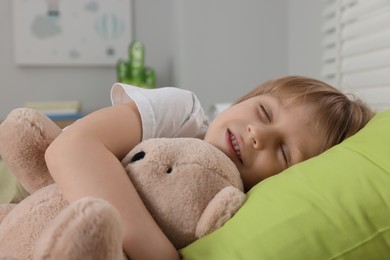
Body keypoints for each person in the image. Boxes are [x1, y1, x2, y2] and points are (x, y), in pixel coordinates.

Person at [44, 75, 373, 259]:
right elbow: (70, 149)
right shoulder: (183, 113)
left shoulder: (234, 212)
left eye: (284, 152)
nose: (258, 134)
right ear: (246, 97)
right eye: (264, 112)